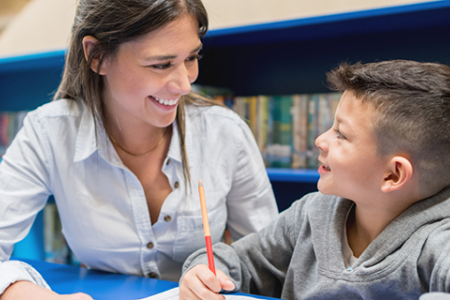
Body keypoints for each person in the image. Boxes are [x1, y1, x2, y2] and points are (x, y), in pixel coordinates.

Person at [0, 0, 279, 298]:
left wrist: (222, 278)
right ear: (97, 56)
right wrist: (23, 291)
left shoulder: (226, 133)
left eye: (192, 57)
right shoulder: (49, 132)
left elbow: (270, 262)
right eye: (161, 64)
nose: (185, 85)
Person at [180, 60, 450, 300]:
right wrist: (203, 270)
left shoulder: (440, 241)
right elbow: (241, 261)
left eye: (341, 135)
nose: (320, 140)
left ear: (393, 175)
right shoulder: (310, 213)